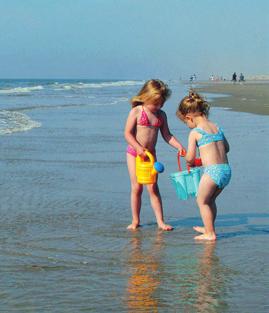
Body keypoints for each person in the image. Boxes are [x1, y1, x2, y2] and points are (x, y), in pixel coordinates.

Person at [124, 79, 185, 231]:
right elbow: (127, 134)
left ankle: (160, 221)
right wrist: (138, 148)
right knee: (137, 187)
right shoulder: (137, 112)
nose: (158, 106)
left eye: (161, 103)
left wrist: (178, 146)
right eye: (155, 103)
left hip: (151, 155)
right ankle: (135, 220)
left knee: (153, 188)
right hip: (134, 154)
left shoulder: (161, 115)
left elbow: (167, 135)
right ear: (145, 97)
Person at [176, 91, 231, 240]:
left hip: (212, 172)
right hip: (225, 170)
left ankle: (210, 233)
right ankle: (209, 227)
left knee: (202, 201)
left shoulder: (195, 132)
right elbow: (226, 148)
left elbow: (190, 158)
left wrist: (187, 158)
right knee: (210, 200)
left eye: (186, 122)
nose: (187, 125)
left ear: (189, 117)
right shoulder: (216, 127)